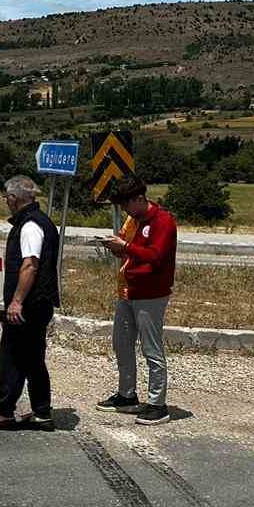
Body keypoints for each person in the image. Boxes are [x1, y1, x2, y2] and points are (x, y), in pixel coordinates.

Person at [0, 175, 61, 432]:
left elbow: (30, 265)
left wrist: (16, 302)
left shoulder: (30, 225)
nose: (5, 201)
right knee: (34, 359)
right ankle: (42, 412)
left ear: (13, 198)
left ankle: (5, 412)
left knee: (11, 357)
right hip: (40, 303)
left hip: (29, 305)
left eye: (6, 197)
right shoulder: (43, 221)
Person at [95, 177, 178, 425]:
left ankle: (157, 404)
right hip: (127, 290)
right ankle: (126, 394)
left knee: (151, 348)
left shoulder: (163, 221)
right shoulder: (133, 220)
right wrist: (115, 246)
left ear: (139, 199)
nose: (124, 212)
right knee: (122, 344)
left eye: (126, 206)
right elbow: (127, 247)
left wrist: (126, 246)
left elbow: (156, 256)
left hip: (150, 293)